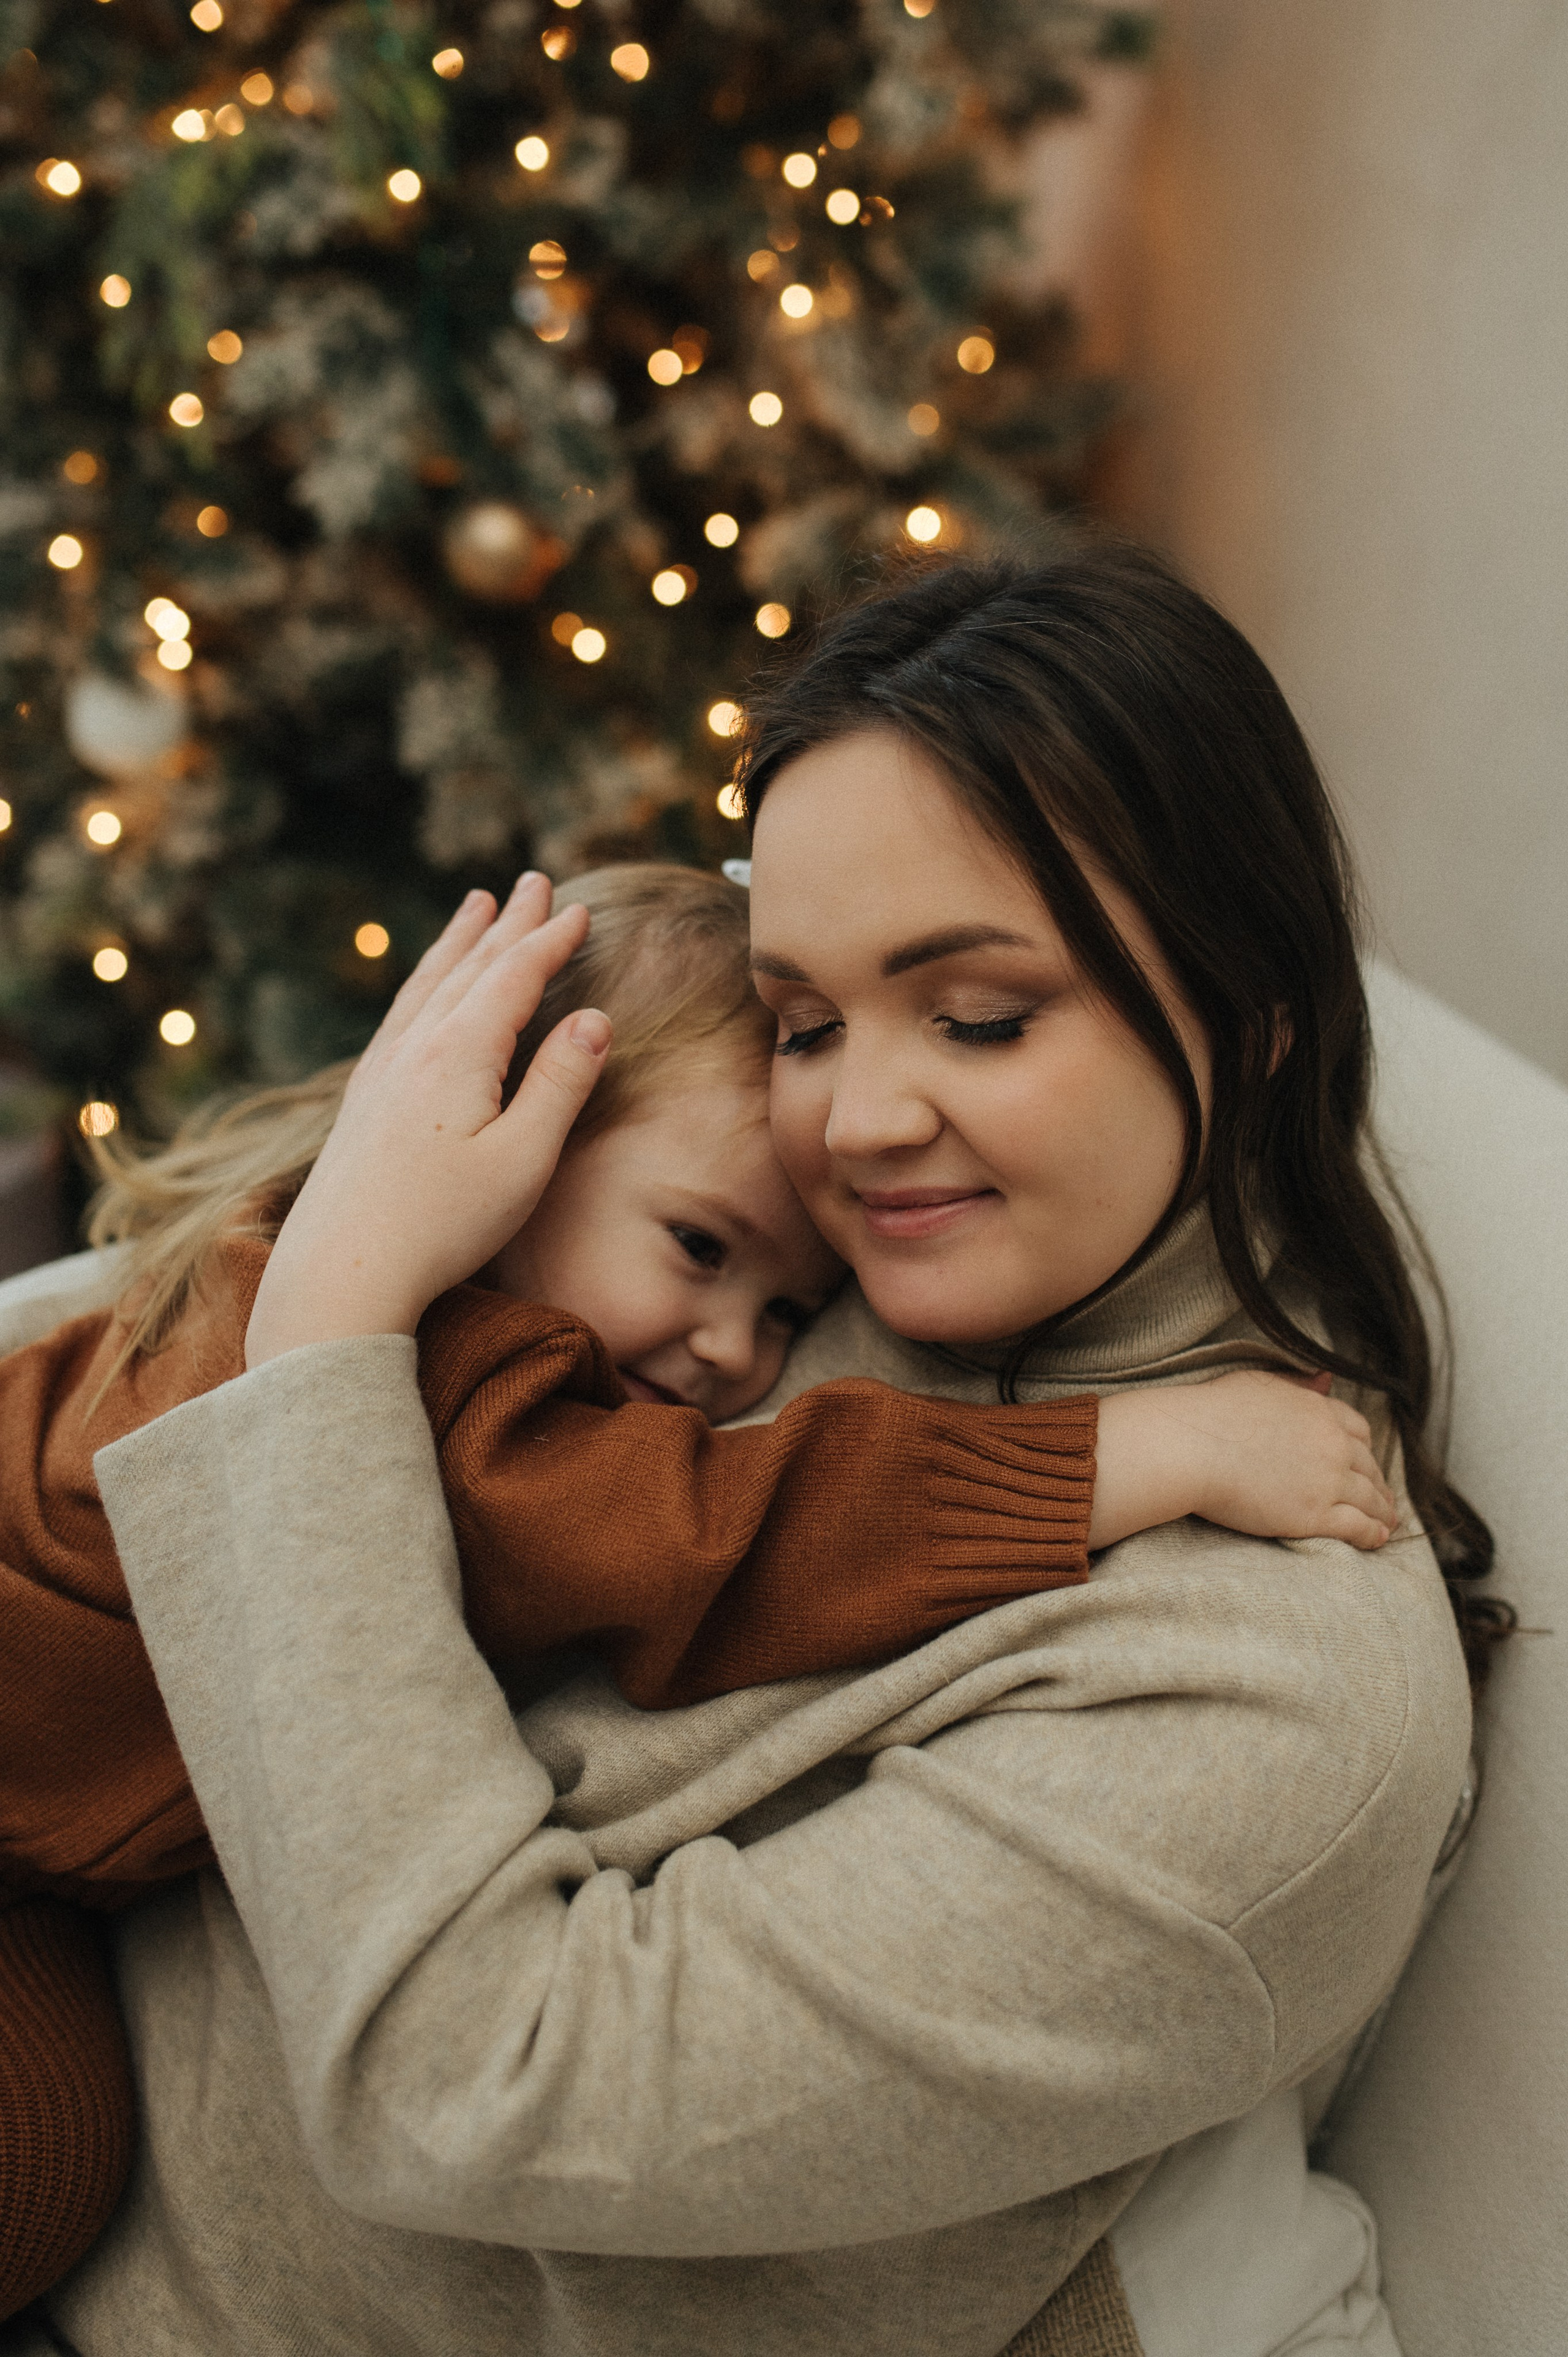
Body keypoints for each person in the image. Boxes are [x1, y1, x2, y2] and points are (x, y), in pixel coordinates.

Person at [19, 548, 1493, 2357]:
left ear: (1255, 1034)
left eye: (980, 1018)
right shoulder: (871, 1243)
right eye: (805, 1023)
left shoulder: (1276, 1706)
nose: (855, 1123)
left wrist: (328, 1324)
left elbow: (476, 2088)